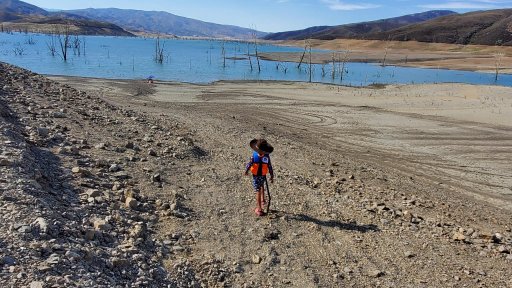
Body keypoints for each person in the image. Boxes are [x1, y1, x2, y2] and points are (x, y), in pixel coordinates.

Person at [244, 138, 274, 216]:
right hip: (263, 175)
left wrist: (246, 171)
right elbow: (269, 166)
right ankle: (263, 200)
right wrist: (271, 175)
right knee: (262, 186)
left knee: (258, 190)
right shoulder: (266, 156)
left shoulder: (254, 156)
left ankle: (259, 209)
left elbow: (249, 164)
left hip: (256, 176)